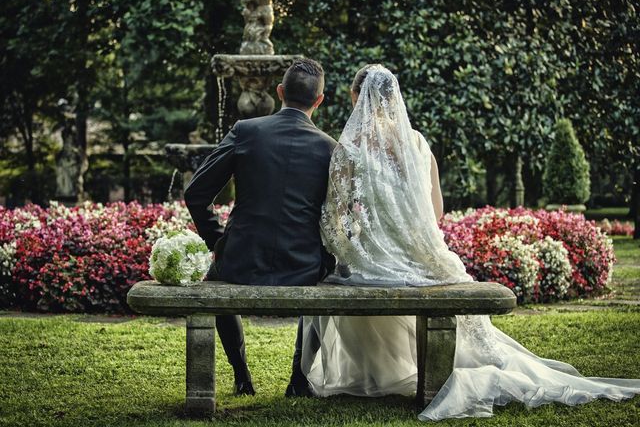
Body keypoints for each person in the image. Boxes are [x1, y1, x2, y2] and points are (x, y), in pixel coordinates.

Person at [301, 64, 640, 420]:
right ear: (394, 99)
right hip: (423, 260)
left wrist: (358, 248)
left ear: (357, 98)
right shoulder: (416, 143)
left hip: (374, 265)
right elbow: (435, 213)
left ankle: (381, 372)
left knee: (344, 276)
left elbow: (336, 218)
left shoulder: (349, 148)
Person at [184, 58, 337, 397]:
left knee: (215, 281)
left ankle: (242, 377)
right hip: (303, 267)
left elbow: (195, 193)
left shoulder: (246, 131)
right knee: (330, 282)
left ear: (279, 91)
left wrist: (219, 240)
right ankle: (298, 379)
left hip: (240, 261)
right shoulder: (330, 148)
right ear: (319, 100)